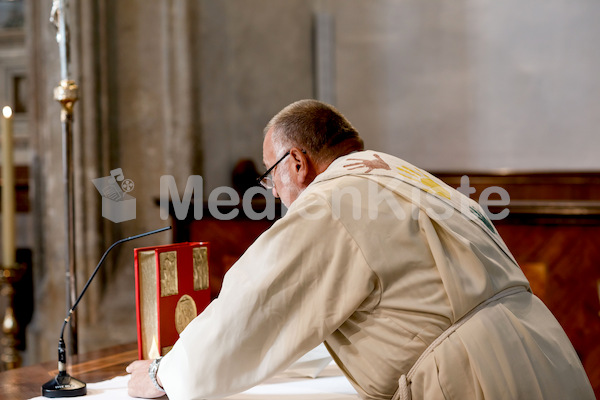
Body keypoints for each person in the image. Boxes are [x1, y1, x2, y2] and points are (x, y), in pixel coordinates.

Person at [127, 99, 594, 399]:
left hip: (476, 381)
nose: (272, 193)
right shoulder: (408, 176)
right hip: (544, 356)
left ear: (297, 162)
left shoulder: (332, 200)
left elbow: (251, 309)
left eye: (271, 177)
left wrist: (165, 374)